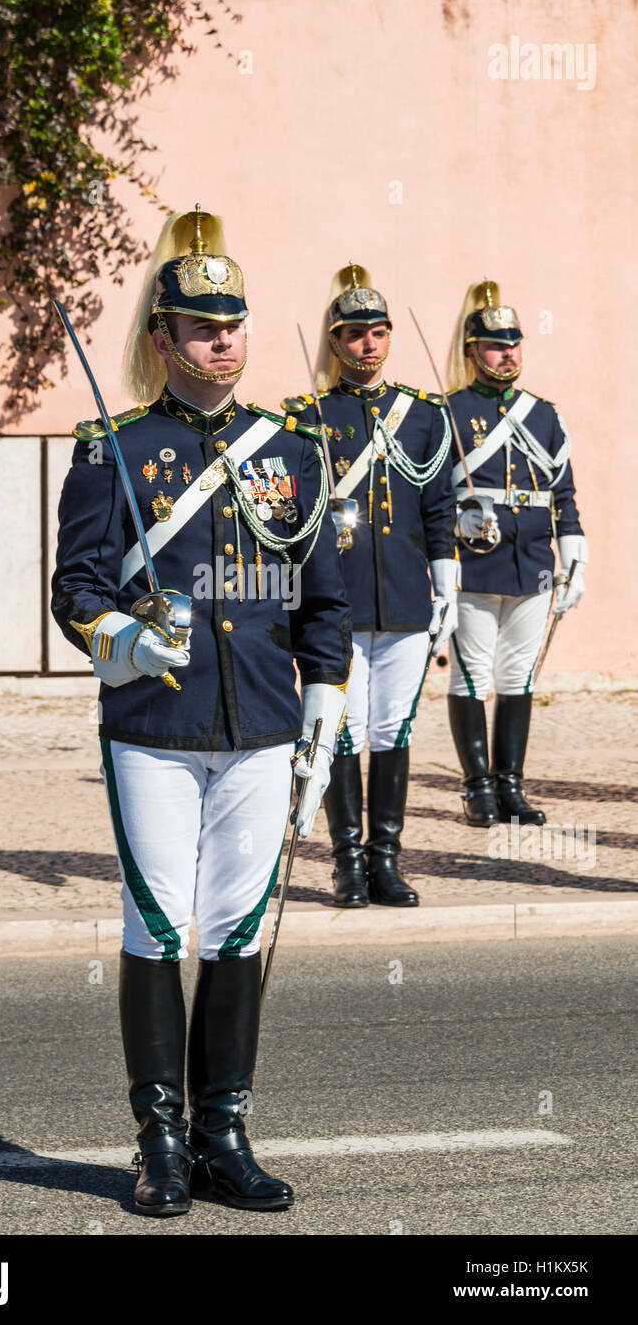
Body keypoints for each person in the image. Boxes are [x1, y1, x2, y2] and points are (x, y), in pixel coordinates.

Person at [51, 209, 352, 1217]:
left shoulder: (292, 447)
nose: (223, 339)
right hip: (156, 730)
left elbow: (323, 590)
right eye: (200, 326)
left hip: (264, 723)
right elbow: (76, 587)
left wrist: (329, 694)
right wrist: (126, 643)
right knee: (158, 921)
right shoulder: (115, 452)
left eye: (234, 323)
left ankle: (224, 1131)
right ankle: (160, 1142)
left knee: (236, 928)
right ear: (162, 340)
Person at [284, 267, 457, 909]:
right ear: (335, 343)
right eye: (354, 335)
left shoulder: (422, 417)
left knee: (393, 731)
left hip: (408, 601)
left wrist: (447, 585)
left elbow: (438, 506)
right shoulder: (307, 419)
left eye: (378, 332)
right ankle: (346, 863)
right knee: (343, 729)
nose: (368, 345)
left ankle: (386, 860)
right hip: (340, 605)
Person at [445, 280, 587, 826]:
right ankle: (478, 788)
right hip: (473, 564)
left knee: (519, 677)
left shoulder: (545, 415)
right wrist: (457, 524)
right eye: (495, 345)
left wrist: (574, 556)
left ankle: (511, 785)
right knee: (472, 676)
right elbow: (435, 496)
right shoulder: (450, 411)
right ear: (473, 351)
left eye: (514, 343)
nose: (508, 353)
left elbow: (564, 494)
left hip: (532, 564)